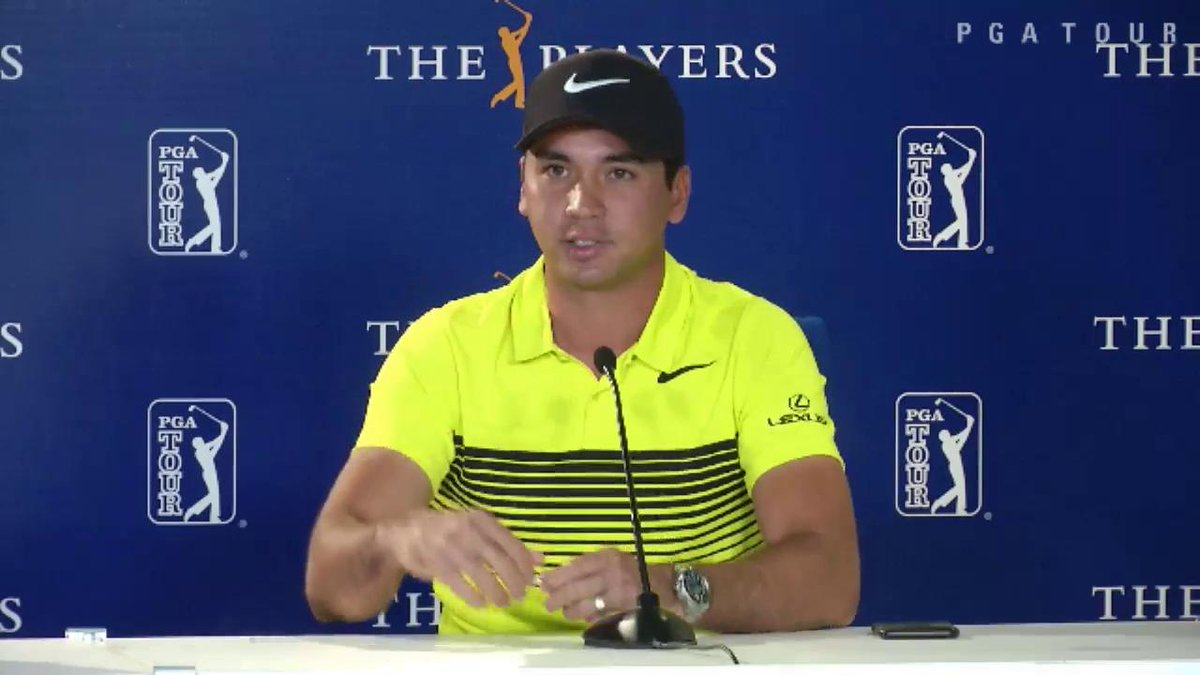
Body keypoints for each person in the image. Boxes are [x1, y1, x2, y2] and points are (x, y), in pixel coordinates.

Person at [305, 49, 860, 635]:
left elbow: (829, 581)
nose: (581, 205)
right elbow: (332, 590)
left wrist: (670, 588)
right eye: (556, 171)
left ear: (677, 193)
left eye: (619, 173)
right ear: (523, 187)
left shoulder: (755, 337)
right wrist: (393, 538)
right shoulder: (443, 347)